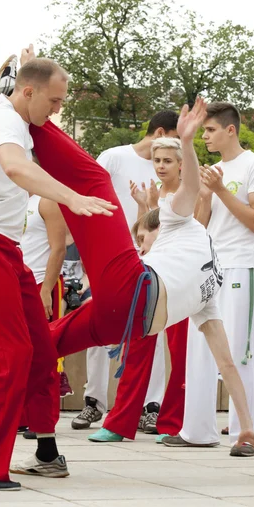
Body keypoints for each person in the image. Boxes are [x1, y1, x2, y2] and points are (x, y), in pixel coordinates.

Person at [10, 96, 254, 475]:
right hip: (126, 320)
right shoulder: (209, 288)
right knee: (44, 344)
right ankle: (41, 451)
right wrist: (247, 425)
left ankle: (33, 120)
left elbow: (188, 188)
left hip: (132, 292)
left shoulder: (183, 223)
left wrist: (186, 142)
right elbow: (226, 364)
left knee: (97, 182)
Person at [0, 56, 117, 491]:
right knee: (10, 357)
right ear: (27, 92)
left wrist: (27, 61)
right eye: (53, 101)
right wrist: (72, 197)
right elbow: (16, 167)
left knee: (41, 352)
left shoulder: (11, 110)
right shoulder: (5, 121)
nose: (55, 111)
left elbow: (10, 86)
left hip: (6, 251)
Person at [163, 102, 254, 456]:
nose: (205, 136)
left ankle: (246, 433)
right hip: (211, 266)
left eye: (210, 131)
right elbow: (201, 223)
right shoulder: (213, 170)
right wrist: (207, 196)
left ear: (230, 130)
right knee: (200, 348)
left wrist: (223, 190)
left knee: (241, 350)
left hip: (241, 265)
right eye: (203, 131)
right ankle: (196, 429)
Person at [72, 111, 179, 432]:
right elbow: (90, 200)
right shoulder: (114, 158)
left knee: (153, 330)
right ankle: (94, 401)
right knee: (100, 324)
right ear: (160, 132)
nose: (163, 162)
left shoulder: (175, 170)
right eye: (174, 137)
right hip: (112, 257)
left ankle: (151, 405)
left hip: (154, 261)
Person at [89, 138, 188, 442]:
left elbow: (188, 234)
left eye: (168, 161)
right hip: (153, 279)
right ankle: (119, 423)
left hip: (184, 282)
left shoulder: (192, 193)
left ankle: (173, 423)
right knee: (137, 350)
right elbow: (143, 236)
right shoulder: (153, 193)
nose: (160, 166)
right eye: (157, 160)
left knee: (182, 356)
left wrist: (153, 206)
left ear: (181, 164)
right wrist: (144, 206)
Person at [17, 190, 71, 440]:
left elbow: (58, 248)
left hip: (41, 284)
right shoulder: (14, 200)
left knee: (46, 355)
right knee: (20, 354)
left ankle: (44, 421)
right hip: (16, 284)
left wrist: (47, 289)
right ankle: (22, 416)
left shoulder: (46, 201)